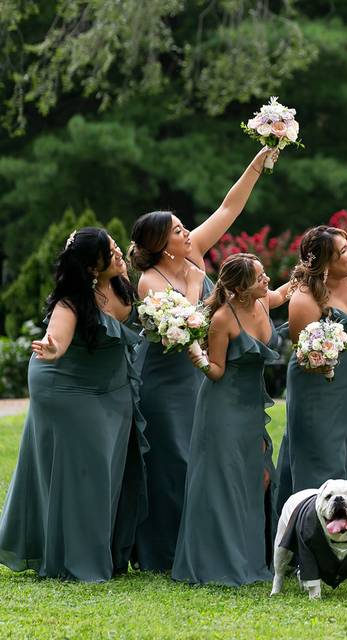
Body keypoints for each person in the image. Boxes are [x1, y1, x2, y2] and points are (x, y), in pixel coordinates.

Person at [129, 146, 275, 571]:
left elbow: (229, 207)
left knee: (204, 456)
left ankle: (206, 540)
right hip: (166, 376)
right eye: (177, 230)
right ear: (160, 243)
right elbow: (186, 322)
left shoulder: (194, 251)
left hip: (206, 369)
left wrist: (258, 161)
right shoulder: (148, 282)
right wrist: (197, 282)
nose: (186, 232)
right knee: (173, 458)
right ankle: (167, 550)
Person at [0, 228, 146, 581]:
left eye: (114, 246)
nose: (117, 253)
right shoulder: (71, 301)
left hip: (112, 385)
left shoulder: (122, 284)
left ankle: (107, 551)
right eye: (109, 251)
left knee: (109, 468)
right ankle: (75, 559)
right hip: (66, 385)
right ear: (92, 266)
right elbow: (59, 340)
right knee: (85, 470)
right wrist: (52, 348)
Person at [171, 253, 288, 586]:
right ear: (239, 288)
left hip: (251, 405)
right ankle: (218, 561)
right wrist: (198, 359)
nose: (266, 280)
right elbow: (218, 372)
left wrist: (307, 271)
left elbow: (284, 292)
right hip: (222, 406)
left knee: (254, 476)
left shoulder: (263, 302)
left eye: (265, 274)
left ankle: (251, 557)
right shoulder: (224, 318)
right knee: (222, 479)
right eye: (259, 277)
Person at [274, 225, 347, 512]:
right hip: (319, 389)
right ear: (325, 263)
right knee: (321, 457)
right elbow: (304, 356)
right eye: (343, 252)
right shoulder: (304, 300)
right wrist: (325, 355)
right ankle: (312, 536)